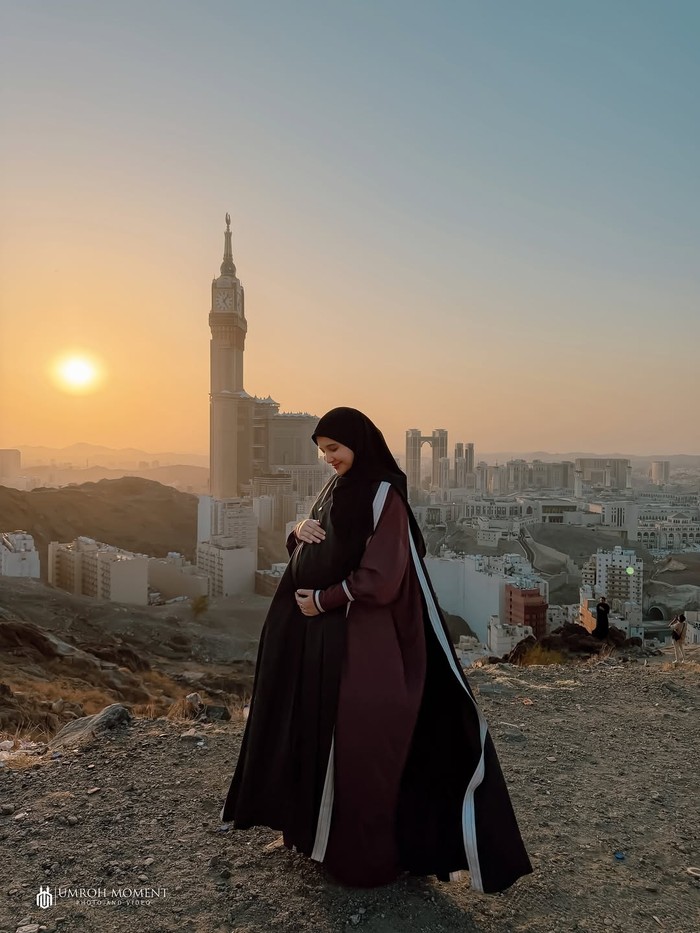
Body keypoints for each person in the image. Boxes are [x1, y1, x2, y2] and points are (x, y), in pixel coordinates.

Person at [221, 407, 532, 893]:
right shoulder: (337, 487)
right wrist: (296, 531)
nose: (328, 459)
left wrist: (324, 599)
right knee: (317, 735)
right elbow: (328, 543)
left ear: (359, 445)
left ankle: (362, 859)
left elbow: (383, 575)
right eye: (322, 451)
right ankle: (314, 839)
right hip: (323, 640)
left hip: (362, 642)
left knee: (359, 746)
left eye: (335, 449)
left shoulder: (383, 492)